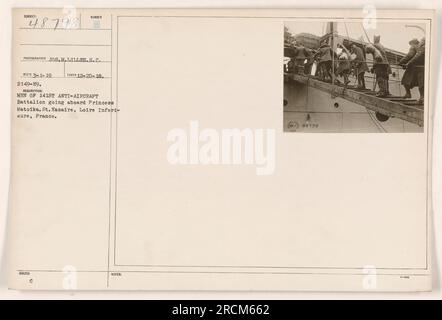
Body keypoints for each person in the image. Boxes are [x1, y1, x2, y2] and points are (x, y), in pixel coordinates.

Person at [399, 38, 425, 103]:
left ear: (412, 43)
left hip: (414, 68)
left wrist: (401, 62)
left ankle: (408, 94)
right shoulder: (422, 47)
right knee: (421, 83)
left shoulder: (414, 47)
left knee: (405, 80)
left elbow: (409, 55)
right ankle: (422, 97)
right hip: (422, 67)